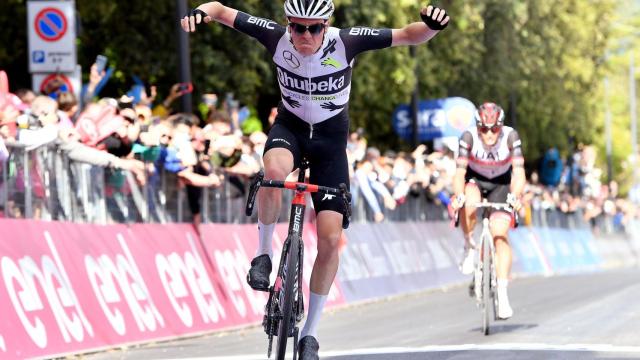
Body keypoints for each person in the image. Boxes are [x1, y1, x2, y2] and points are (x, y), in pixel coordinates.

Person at [182, 1, 450, 358]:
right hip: (290, 129)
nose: (304, 36)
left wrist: (430, 27)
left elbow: (406, 35)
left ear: (327, 26)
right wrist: (200, 12)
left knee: (329, 238)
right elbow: (220, 9)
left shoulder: (348, 41)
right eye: (297, 28)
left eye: (313, 29)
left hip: (330, 143)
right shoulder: (275, 37)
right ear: (287, 24)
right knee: (274, 174)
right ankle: (262, 256)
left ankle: (310, 332)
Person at [450, 102, 525, 320]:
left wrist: (516, 196)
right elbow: (459, 173)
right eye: (484, 129)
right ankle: (469, 244)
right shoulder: (468, 137)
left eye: (494, 129)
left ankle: (502, 294)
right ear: (477, 127)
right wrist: (458, 196)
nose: (490, 134)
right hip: (475, 180)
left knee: (500, 235)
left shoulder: (511, 136)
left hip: (501, 183)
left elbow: (519, 173)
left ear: (501, 127)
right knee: (469, 203)